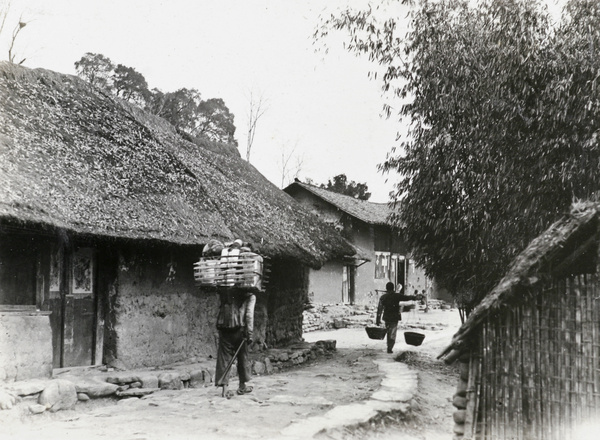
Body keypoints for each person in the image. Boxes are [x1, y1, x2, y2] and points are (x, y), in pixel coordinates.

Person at [215, 287, 256, 397]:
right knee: (243, 357)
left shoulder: (225, 292)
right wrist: (250, 333)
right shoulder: (250, 296)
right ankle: (242, 386)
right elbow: (249, 315)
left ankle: (224, 389)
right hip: (240, 329)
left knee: (224, 357)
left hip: (224, 327)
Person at [376, 282, 422, 353]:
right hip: (394, 317)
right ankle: (390, 347)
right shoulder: (396, 296)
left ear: (386, 288)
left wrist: (377, 320)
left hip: (387, 317)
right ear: (393, 288)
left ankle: (389, 346)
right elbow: (406, 297)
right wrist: (414, 298)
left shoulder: (383, 297)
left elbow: (379, 309)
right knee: (392, 333)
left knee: (389, 332)